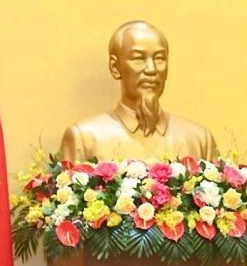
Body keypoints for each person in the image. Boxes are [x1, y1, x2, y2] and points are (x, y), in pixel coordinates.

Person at [61, 20, 219, 163]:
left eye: (159, 58)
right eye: (138, 58)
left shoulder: (199, 139)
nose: (151, 69)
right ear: (115, 67)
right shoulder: (84, 138)